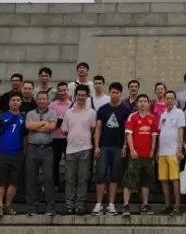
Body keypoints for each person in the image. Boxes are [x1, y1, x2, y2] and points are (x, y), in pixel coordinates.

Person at [94, 81, 130, 215]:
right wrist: (97, 146)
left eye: (117, 92)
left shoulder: (125, 110)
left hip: (118, 147)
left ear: (120, 94)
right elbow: (98, 128)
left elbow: (127, 130)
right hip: (104, 146)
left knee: (115, 176)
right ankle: (98, 204)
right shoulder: (102, 109)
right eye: (112, 92)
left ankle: (111, 204)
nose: (114, 95)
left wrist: (125, 146)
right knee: (101, 174)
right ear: (109, 93)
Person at [61, 84, 96, 216]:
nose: (81, 97)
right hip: (71, 149)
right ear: (75, 96)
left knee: (83, 178)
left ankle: (80, 205)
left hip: (85, 148)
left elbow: (93, 129)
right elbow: (64, 130)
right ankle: (69, 204)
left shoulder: (91, 113)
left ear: (87, 97)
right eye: (79, 95)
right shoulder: (68, 113)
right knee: (70, 178)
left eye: (83, 95)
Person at [123, 94, 158, 216]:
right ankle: (126, 205)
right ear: (137, 104)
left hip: (147, 155)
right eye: (140, 101)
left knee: (146, 180)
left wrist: (152, 150)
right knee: (129, 179)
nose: (143, 103)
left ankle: (145, 205)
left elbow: (154, 136)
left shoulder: (153, 118)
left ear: (148, 104)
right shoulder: (132, 117)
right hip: (135, 154)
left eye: (145, 101)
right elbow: (129, 134)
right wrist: (132, 149)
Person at [0, 92, 26, 217]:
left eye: (18, 100)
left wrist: (24, 152)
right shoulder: (2, 117)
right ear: (9, 102)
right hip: (2, 153)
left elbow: (25, 137)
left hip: (17, 154)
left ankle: (8, 205)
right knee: (0, 182)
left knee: (14, 183)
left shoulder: (24, 118)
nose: (15, 102)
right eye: (13, 100)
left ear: (21, 102)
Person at [25, 91, 58, 216]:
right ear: (36, 100)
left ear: (48, 100)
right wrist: (44, 123)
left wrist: (36, 126)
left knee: (48, 178)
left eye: (44, 99)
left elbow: (52, 127)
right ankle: (31, 207)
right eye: (39, 99)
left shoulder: (52, 112)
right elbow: (28, 126)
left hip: (47, 149)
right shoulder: (30, 113)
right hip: (32, 148)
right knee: (31, 178)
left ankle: (50, 206)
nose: (42, 101)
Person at [157, 89, 185, 215]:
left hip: (173, 151)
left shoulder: (179, 113)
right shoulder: (163, 114)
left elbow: (180, 131)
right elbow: (161, 133)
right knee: (163, 179)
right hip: (162, 152)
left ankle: (177, 206)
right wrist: (158, 151)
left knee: (174, 179)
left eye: (171, 98)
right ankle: (167, 205)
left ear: (174, 100)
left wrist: (179, 149)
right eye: (167, 98)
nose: (169, 101)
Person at [51, 81, 72, 191]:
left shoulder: (72, 105)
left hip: (68, 139)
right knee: (55, 162)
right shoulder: (52, 105)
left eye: (64, 90)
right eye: (60, 90)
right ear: (57, 92)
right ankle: (55, 183)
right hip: (55, 138)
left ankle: (68, 183)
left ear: (67, 91)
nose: (62, 92)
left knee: (70, 163)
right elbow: (49, 121)